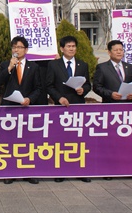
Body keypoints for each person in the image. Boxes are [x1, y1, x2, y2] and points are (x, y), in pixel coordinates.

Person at [45, 36, 92, 183]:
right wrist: (59, 98)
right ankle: (60, 170)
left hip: (78, 106)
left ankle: (80, 170)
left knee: (78, 140)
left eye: (73, 46)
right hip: (61, 106)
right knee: (61, 139)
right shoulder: (54, 65)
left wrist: (83, 90)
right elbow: (49, 85)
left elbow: (88, 84)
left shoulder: (83, 65)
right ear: (62, 48)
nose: (71, 48)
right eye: (68, 46)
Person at [0, 36, 41, 184]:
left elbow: (38, 88)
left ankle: (28, 172)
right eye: (14, 47)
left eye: (20, 47)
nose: (16, 50)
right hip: (9, 108)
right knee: (9, 141)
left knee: (27, 142)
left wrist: (30, 99)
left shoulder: (34, 67)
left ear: (26, 50)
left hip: (26, 108)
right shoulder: (5, 65)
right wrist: (9, 68)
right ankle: (10, 172)